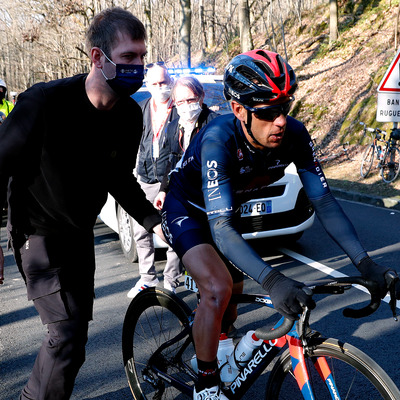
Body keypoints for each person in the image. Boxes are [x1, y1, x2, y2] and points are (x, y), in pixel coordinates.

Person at [161, 49, 400, 400]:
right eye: (268, 112)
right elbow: (221, 230)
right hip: (188, 210)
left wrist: (366, 263)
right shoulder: (218, 140)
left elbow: (324, 202)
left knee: (236, 289)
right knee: (216, 287)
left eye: (284, 107)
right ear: (239, 110)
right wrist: (275, 280)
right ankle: (206, 383)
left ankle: (225, 346)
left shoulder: (294, 135)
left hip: (226, 213)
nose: (280, 121)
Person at [0, 7, 165, 400]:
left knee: (73, 344)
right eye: (128, 57)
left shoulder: (128, 115)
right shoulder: (44, 102)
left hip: (78, 237)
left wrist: (154, 221)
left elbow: (119, 178)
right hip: (36, 234)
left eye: (142, 56)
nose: (137, 66)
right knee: (65, 334)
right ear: (97, 57)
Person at [126, 63, 181, 298]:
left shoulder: (179, 109)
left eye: (164, 83)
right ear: (147, 85)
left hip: (172, 180)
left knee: (172, 232)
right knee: (141, 230)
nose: (160, 88)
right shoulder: (139, 110)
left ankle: (172, 280)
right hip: (146, 178)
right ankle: (147, 279)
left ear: (170, 81)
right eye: (155, 84)